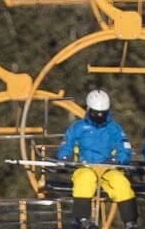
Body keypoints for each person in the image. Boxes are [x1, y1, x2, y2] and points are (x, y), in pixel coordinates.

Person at [58, 89, 138, 229]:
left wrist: (117, 160)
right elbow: (67, 144)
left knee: (121, 183)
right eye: (96, 114)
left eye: (103, 114)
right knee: (85, 180)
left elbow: (124, 148)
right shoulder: (78, 127)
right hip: (85, 166)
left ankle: (130, 221)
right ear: (89, 110)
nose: (99, 117)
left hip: (107, 168)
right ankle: (82, 219)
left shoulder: (114, 128)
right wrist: (64, 158)